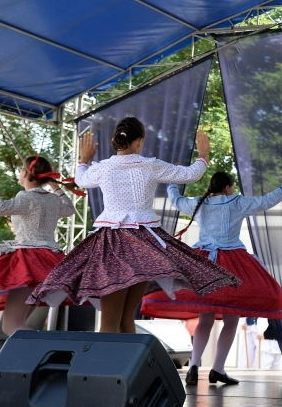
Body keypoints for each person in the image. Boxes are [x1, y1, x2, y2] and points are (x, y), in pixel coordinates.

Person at [28, 117, 240, 333]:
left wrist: (84, 159)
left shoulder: (104, 167)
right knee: (124, 318)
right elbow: (190, 175)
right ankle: (121, 364)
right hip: (143, 245)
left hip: (112, 243)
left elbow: (81, 180)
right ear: (140, 141)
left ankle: (110, 366)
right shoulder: (150, 165)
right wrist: (203, 155)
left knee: (110, 321)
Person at [140, 164, 282, 385]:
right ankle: (217, 369)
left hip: (203, 262)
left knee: (205, 319)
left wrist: (173, 183)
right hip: (232, 263)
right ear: (226, 188)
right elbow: (265, 202)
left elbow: (176, 201)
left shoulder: (200, 203)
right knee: (231, 318)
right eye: (232, 187)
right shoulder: (237, 202)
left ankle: (194, 366)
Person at [0, 153, 76, 334]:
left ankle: (39, 355)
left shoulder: (26, 197)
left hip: (29, 262)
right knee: (14, 326)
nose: (19, 172)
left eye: (21, 169)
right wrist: (55, 187)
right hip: (50, 261)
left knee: (12, 326)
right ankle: (32, 357)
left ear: (28, 173)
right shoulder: (51, 200)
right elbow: (69, 209)